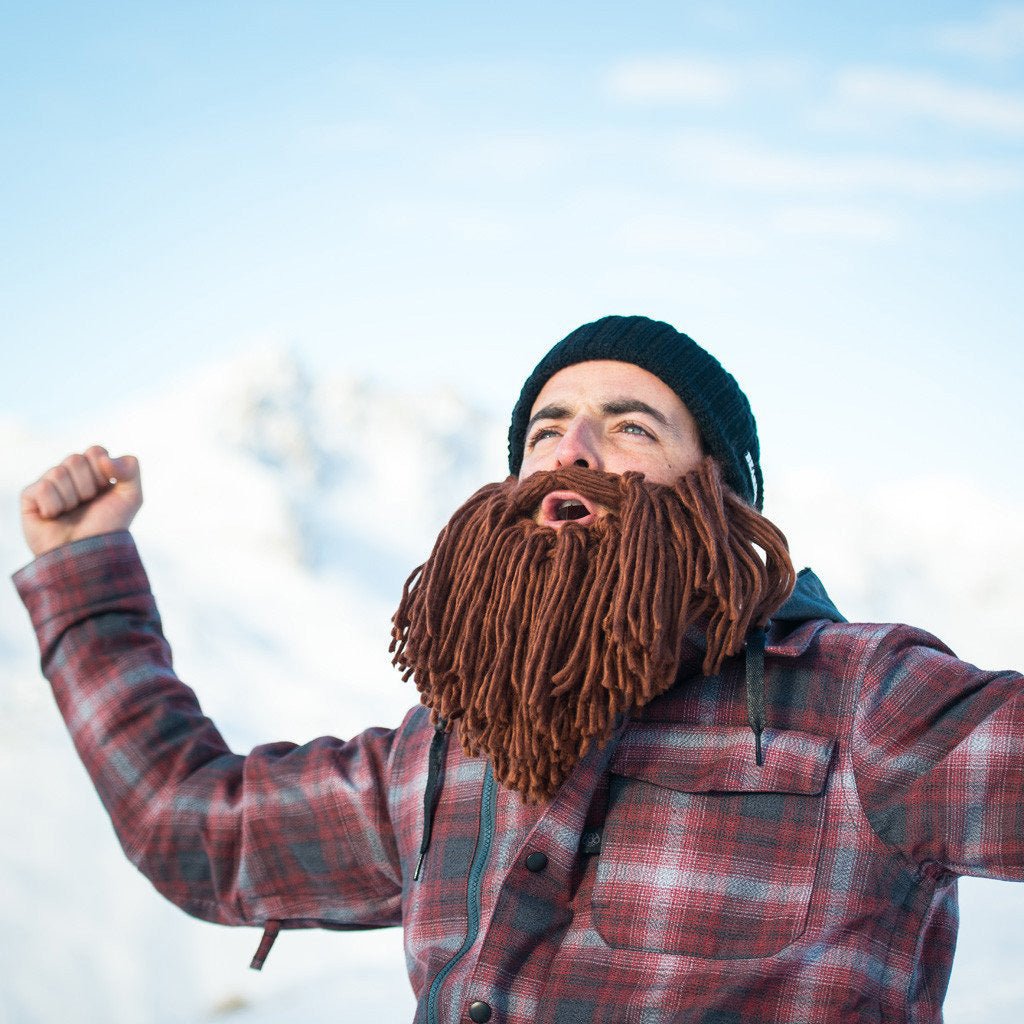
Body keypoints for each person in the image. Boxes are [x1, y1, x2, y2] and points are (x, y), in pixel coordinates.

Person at [14, 315, 1024, 1024]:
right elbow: (195, 829)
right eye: (544, 430)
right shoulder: (445, 754)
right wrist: (80, 567)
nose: (571, 450)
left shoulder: (862, 704)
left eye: (632, 425)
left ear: (719, 498)